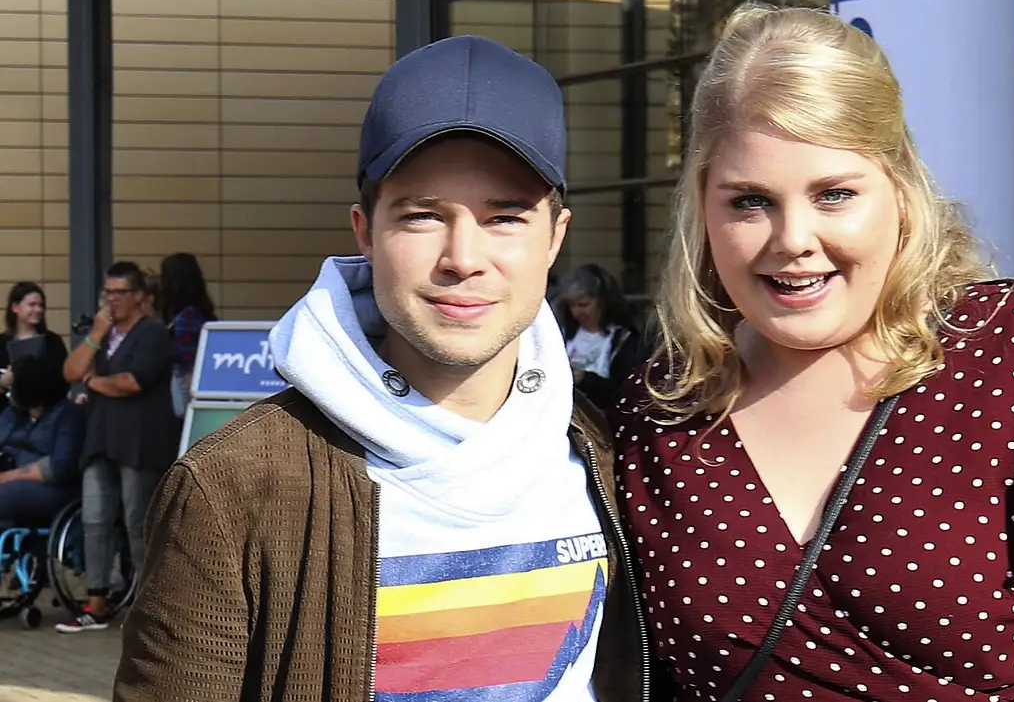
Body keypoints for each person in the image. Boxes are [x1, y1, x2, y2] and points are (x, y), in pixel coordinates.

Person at [611, 3, 1014, 701]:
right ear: (701, 206)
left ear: (900, 187)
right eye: (749, 201)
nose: (792, 238)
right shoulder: (657, 409)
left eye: (834, 194)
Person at [114, 36, 645, 701]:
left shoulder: (610, 452)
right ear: (365, 231)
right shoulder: (231, 488)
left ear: (555, 236)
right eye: (423, 216)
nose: (463, 257)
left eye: (505, 217)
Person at [56, 261, 175, 633]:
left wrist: (94, 382)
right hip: (100, 440)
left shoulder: (154, 333)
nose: (112, 299)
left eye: (120, 292)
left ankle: (151, 609)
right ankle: (96, 604)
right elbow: (71, 372)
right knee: (95, 520)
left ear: (138, 295)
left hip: (139, 442)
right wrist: (96, 333)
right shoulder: (103, 334)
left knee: (138, 523)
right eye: (108, 292)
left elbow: (133, 382)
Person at [0, 355, 85, 524]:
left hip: (52, 487)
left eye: (13, 387)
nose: (10, 393)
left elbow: (61, 467)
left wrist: (7, 477)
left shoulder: (67, 415)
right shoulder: (12, 414)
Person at [556, 263, 651, 409]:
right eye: (572, 305)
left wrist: (587, 380)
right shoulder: (563, 335)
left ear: (602, 303)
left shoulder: (625, 341)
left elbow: (626, 390)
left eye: (583, 304)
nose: (577, 312)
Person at [158, 252, 217, 417]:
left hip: (186, 391)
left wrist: (194, 402)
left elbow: (188, 363)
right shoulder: (199, 312)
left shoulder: (185, 319)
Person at [0, 282, 69, 414]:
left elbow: (63, 381)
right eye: (32, 305)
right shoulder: (1, 343)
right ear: (15, 307)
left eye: (41, 305)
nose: (38, 310)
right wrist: (3, 382)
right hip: (6, 416)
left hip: (46, 414)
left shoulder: (53, 341)